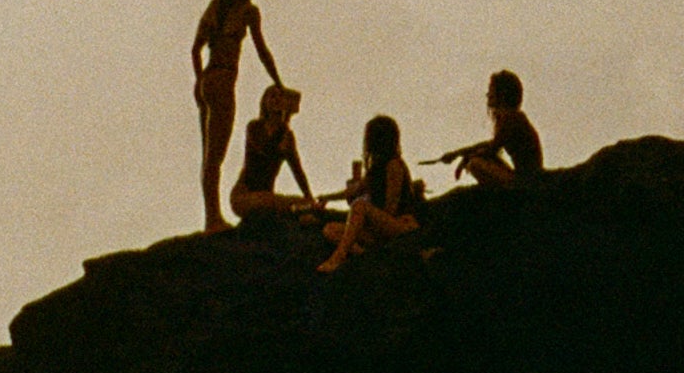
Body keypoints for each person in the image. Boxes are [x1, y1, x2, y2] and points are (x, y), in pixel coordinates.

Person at [193, 0, 285, 233]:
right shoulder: (247, 11)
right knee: (216, 155)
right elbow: (261, 49)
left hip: (207, 80)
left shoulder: (215, 7)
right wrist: (277, 81)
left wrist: (199, 83)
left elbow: (196, 50)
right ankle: (213, 220)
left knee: (208, 155)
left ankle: (211, 215)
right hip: (223, 80)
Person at [321, 113, 422, 272]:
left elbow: (391, 208)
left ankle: (338, 258)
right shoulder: (375, 169)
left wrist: (368, 218)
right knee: (331, 229)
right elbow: (353, 191)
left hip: (400, 225)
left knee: (359, 206)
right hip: (381, 226)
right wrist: (325, 198)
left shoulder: (394, 165)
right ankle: (367, 255)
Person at [230, 84, 316, 216]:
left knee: (298, 203)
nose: (276, 99)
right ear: (264, 101)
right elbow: (265, 150)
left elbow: (297, 171)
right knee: (269, 201)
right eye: (272, 96)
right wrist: (286, 122)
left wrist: (309, 197)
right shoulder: (254, 127)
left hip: (266, 196)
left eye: (280, 96)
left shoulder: (287, 136)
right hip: (244, 196)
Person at [447, 69, 544, 186]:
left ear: (502, 93)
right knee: (478, 160)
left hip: (526, 180)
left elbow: (491, 148)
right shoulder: (511, 116)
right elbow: (490, 144)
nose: (488, 95)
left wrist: (466, 159)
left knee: (475, 164)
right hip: (523, 176)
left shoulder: (511, 118)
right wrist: (456, 154)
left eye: (491, 90)